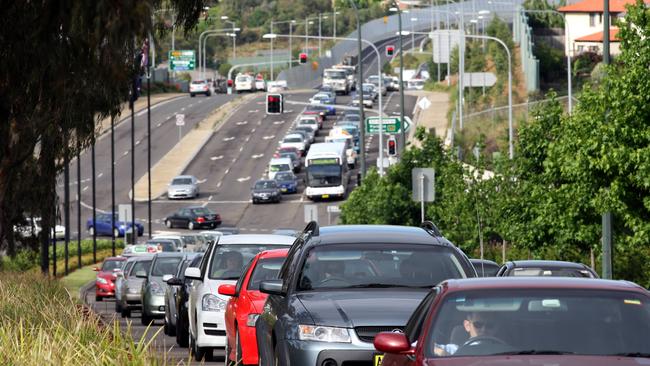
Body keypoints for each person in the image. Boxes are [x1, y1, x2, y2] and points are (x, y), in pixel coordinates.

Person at [434, 312, 500, 356]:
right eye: (478, 324)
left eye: (490, 326)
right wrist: (443, 353)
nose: (483, 329)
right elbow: (431, 348)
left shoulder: (503, 352)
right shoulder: (456, 350)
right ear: (467, 325)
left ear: (496, 328)